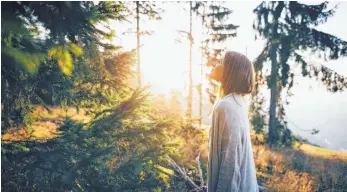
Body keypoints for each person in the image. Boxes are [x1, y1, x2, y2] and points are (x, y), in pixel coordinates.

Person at [208, 51, 259, 192]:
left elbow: (230, 162)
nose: (216, 66)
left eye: (221, 63)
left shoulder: (226, 106)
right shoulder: (239, 103)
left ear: (230, 71)